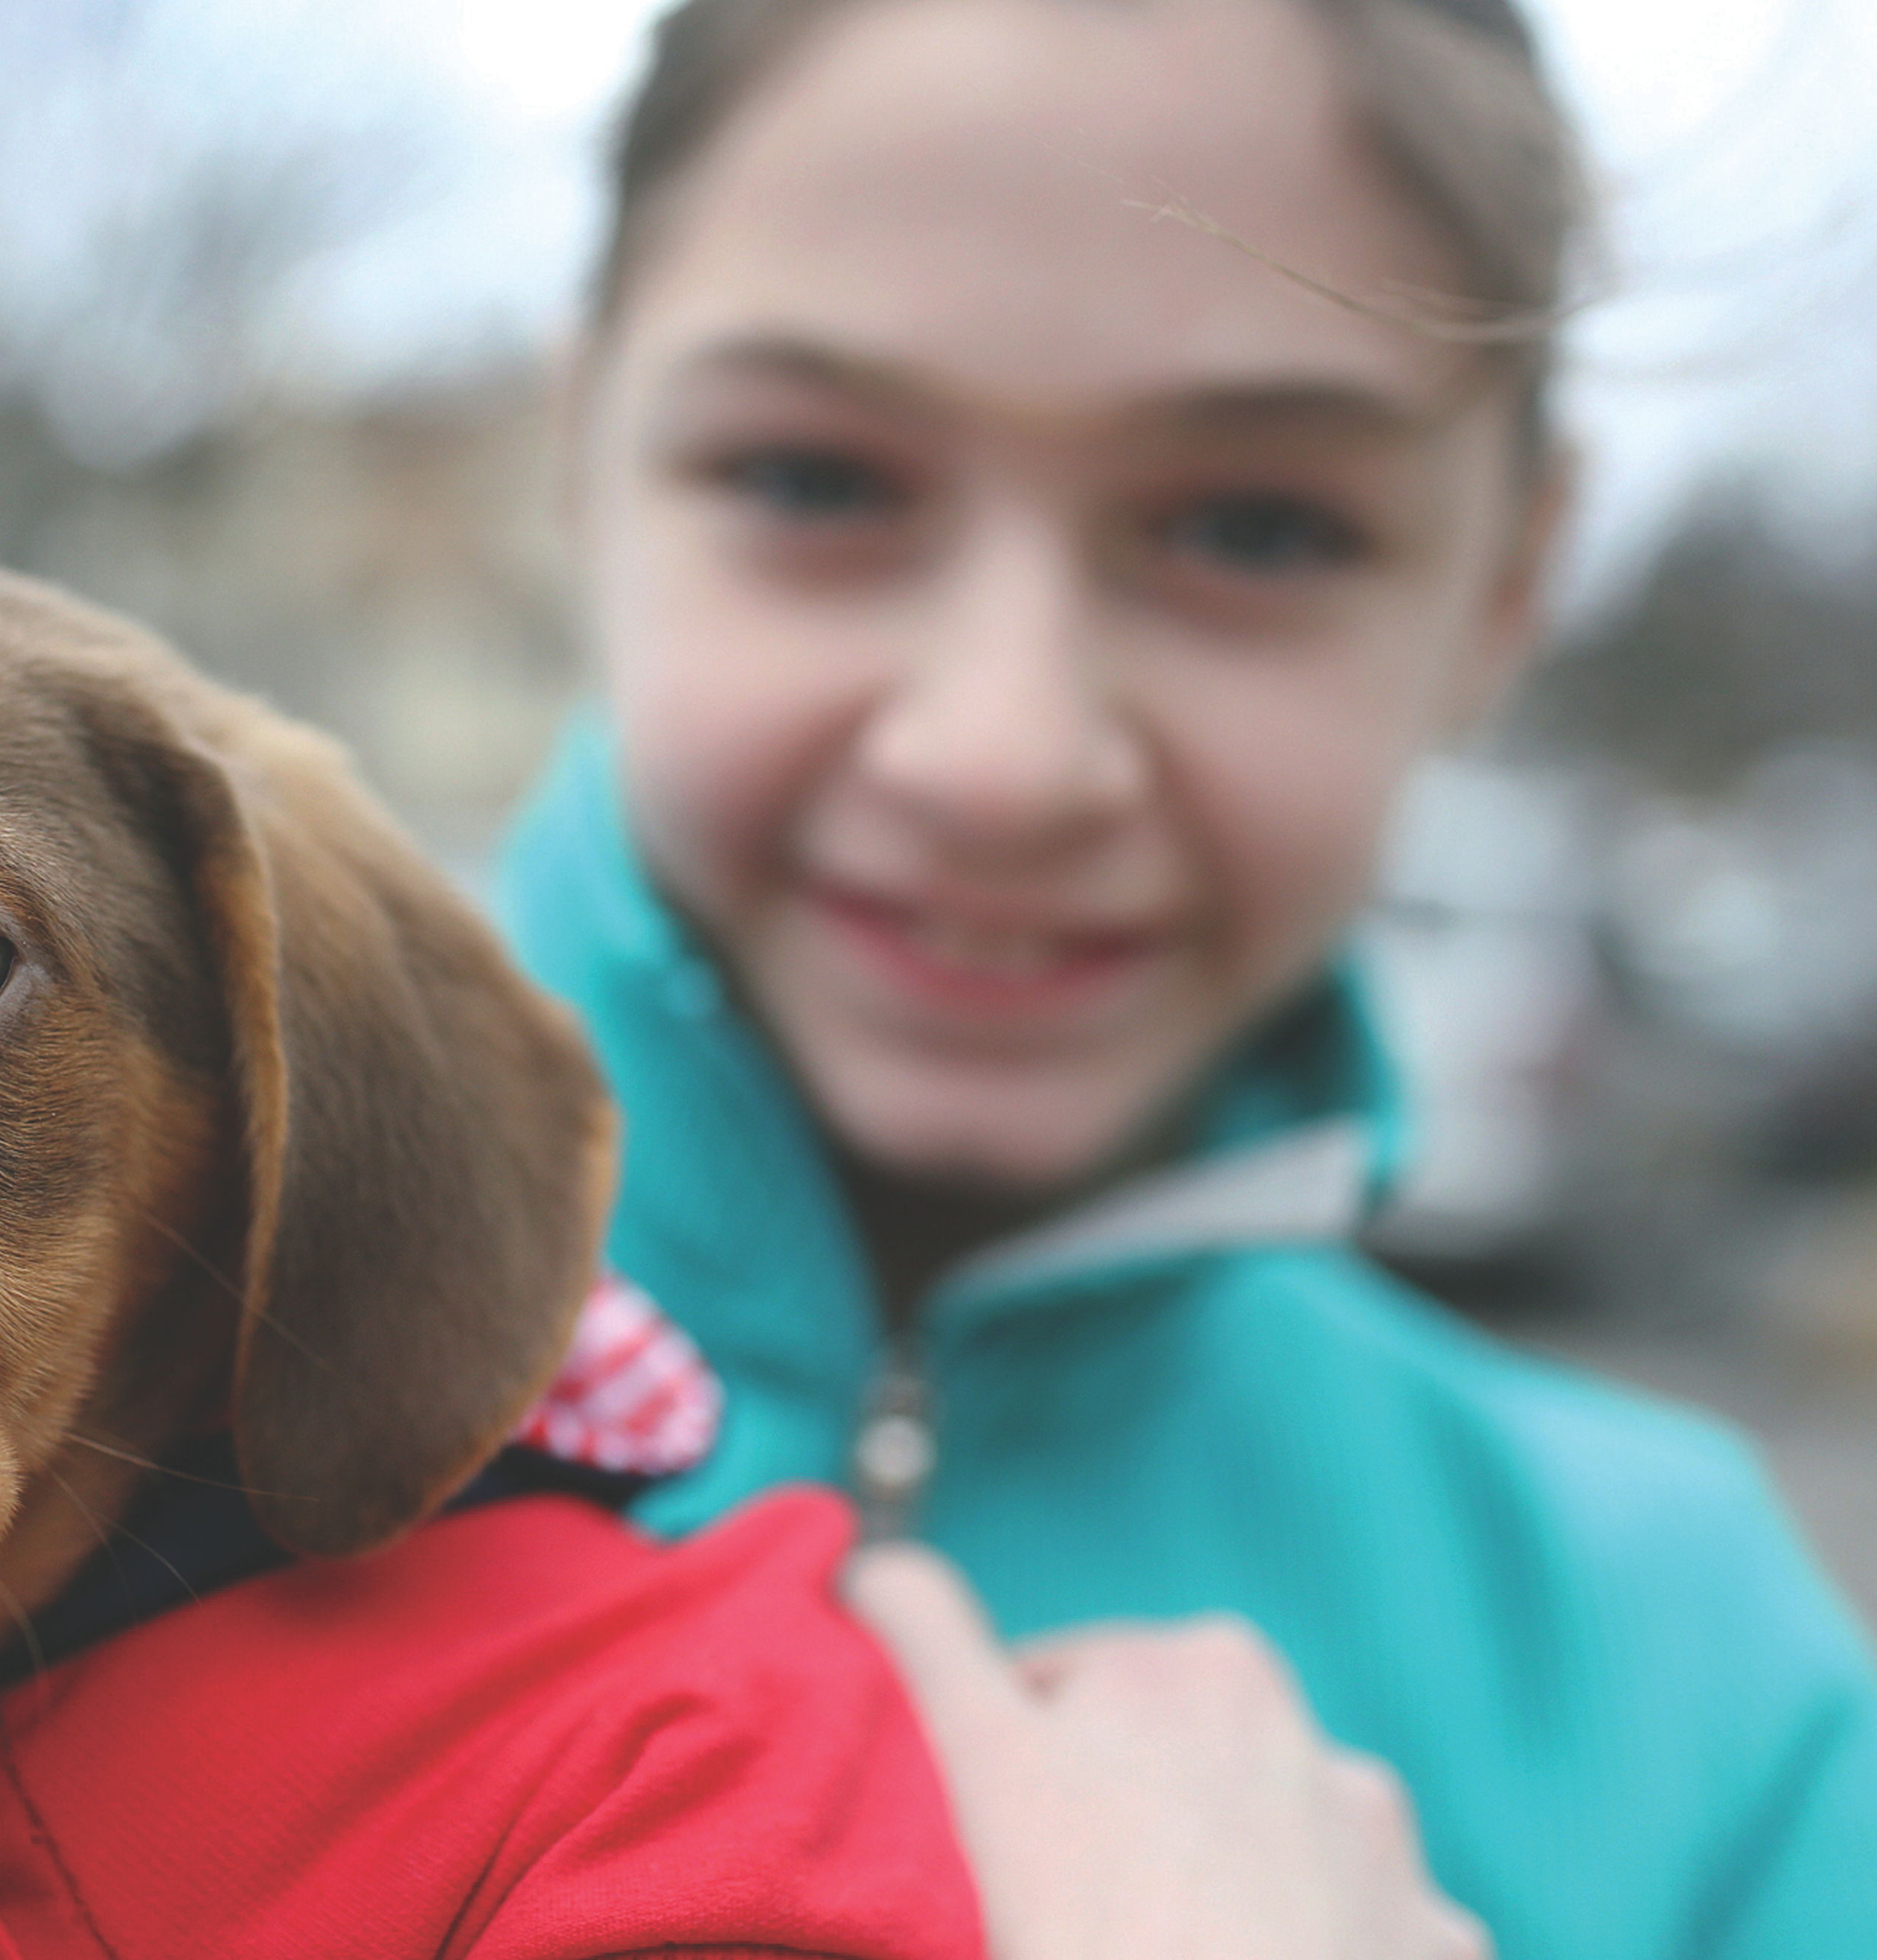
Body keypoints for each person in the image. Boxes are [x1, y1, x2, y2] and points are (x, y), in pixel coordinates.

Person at [497, 1, 1877, 1954]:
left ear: (1507, 588)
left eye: (1256, 526)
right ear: (583, 458)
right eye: (814, 480)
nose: (1003, 750)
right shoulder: (65, 1382)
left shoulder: (1694, 1685)